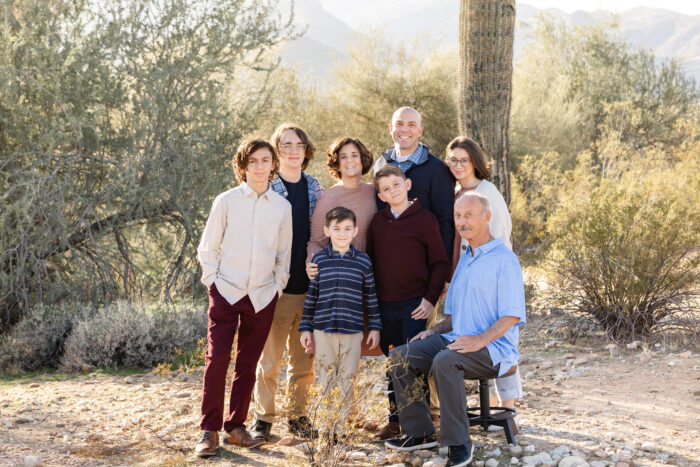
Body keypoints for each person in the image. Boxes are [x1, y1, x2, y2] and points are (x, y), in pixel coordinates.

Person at [385, 193, 526, 467]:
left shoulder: (503, 260)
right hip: (456, 339)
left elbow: (511, 315)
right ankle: (419, 432)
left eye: (468, 215)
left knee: (445, 361)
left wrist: (478, 340)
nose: (462, 222)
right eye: (458, 216)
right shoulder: (465, 259)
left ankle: (459, 443)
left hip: (494, 348)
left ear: (486, 216)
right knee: (400, 356)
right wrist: (434, 331)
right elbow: (454, 315)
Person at [194, 138, 292, 457]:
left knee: (248, 364)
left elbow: (283, 256)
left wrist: (277, 286)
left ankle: (235, 427)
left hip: (262, 296)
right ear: (243, 166)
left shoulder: (282, 207)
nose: (260, 167)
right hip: (226, 291)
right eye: (253, 161)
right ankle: (208, 431)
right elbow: (208, 248)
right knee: (217, 359)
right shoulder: (226, 201)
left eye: (266, 160)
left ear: (273, 165)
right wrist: (213, 282)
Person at [366, 164, 450, 440]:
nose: (393, 191)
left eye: (396, 185)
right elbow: (372, 263)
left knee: (413, 363)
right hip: (385, 305)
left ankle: (420, 425)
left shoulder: (425, 220)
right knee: (392, 364)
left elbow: (439, 263)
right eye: (386, 188)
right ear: (380, 195)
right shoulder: (378, 223)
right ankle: (394, 421)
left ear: (408, 185)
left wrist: (429, 299)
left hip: (414, 305)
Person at [251, 123, 323, 441]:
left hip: (309, 290)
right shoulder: (266, 188)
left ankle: (298, 417)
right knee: (269, 360)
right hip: (275, 290)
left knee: (304, 361)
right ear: (277, 152)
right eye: (286, 145)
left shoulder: (315, 188)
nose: (293, 150)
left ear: (306, 151)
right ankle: (263, 419)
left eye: (299, 145)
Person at [444, 136, 522, 411]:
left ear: (475, 161)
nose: (458, 165)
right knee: (471, 336)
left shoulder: (488, 192)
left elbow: (499, 235)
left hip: (493, 275)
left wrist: (491, 273)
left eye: (464, 160)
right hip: (468, 272)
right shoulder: (455, 192)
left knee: (501, 336)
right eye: (453, 160)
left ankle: (508, 404)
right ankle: (487, 403)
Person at [299, 207, 382, 433]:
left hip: (353, 329)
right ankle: (327, 425)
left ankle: (340, 428)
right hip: (323, 328)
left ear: (355, 231)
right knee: (326, 376)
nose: (342, 234)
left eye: (347, 229)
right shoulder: (319, 260)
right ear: (327, 231)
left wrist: (374, 328)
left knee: (347, 377)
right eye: (337, 229)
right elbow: (312, 296)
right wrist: (305, 328)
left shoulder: (363, 262)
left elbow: (371, 297)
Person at [305, 137, 379, 355]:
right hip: (340, 285)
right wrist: (311, 263)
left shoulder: (374, 192)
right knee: (339, 352)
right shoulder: (328, 198)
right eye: (343, 156)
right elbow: (317, 242)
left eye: (354, 155)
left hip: (368, 280)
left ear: (363, 159)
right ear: (336, 163)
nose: (349, 161)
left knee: (360, 349)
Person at [374, 106, 455, 261]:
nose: (404, 130)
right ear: (391, 128)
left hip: (424, 264)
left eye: (411, 125)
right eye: (399, 124)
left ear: (420, 131)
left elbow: (446, 222)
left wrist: (443, 272)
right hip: (387, 262)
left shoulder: (437, 169)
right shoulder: (380, 165)